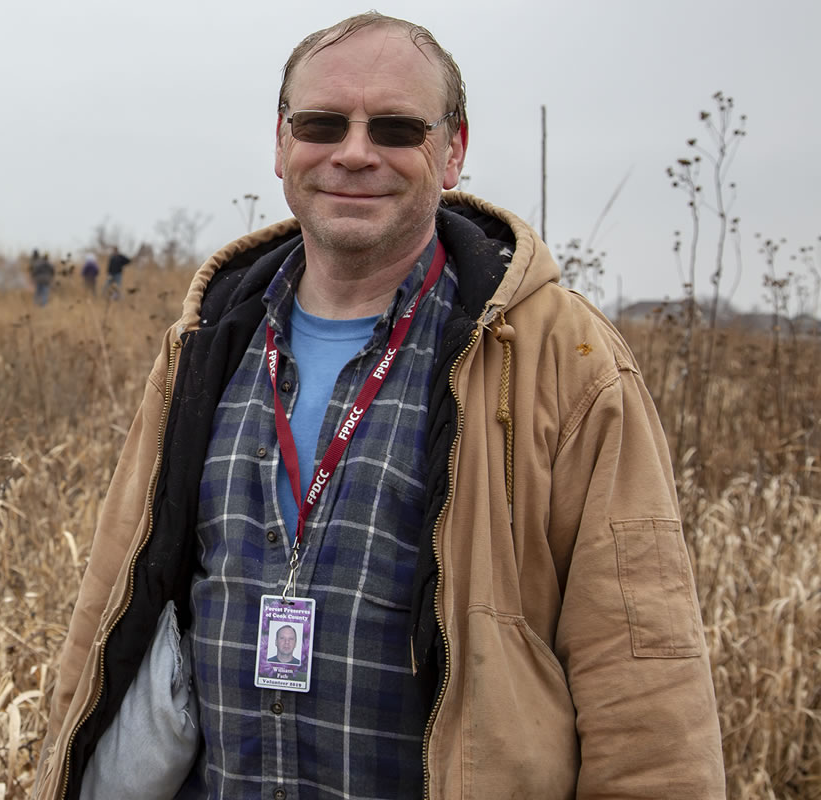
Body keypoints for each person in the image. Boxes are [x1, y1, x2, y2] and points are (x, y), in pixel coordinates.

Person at [36, 11, 725, 800]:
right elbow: (106, 614)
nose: (354, 152)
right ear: (281, 143)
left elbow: (644, 682)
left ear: (453, 149)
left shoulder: (563, 362)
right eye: (323, 123)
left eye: (396, 128)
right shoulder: (205, 344)